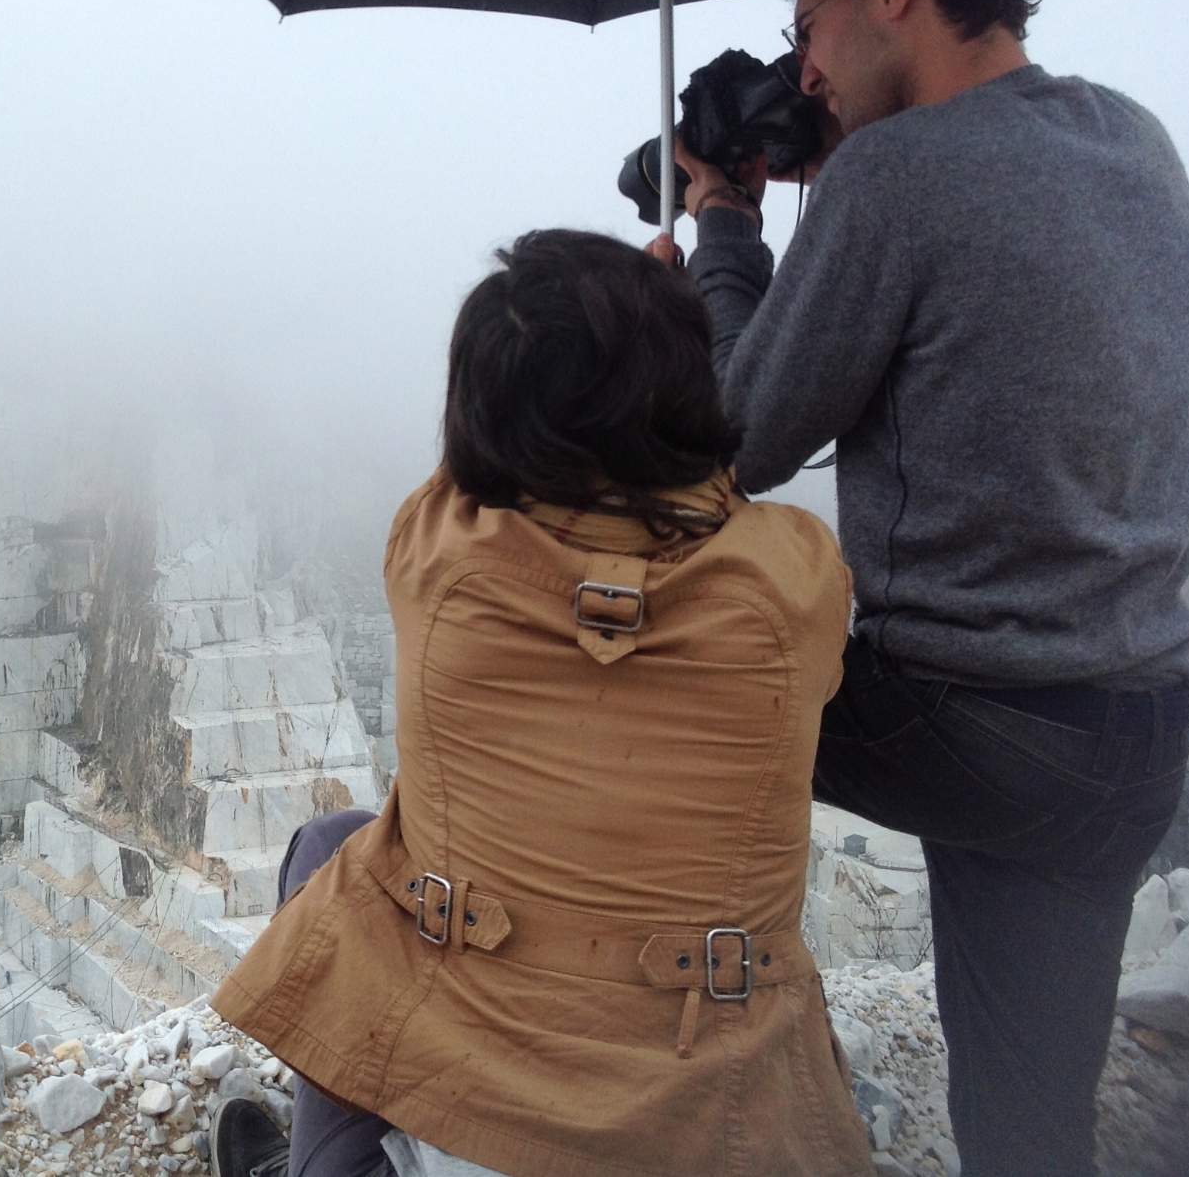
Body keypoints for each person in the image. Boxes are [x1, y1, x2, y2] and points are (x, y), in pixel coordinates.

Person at [654, 0, 1189, 1177]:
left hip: (976, 720)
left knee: (630, 651)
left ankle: (633, 1068)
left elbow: (738, 436)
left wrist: (727, 224)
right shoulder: (1135, 135)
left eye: (807, 29)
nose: (806, 78)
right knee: (1027, 1132)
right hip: (1129, 740)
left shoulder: (897, 177)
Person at [208, 230, 873, 1177]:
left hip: (480, 1114)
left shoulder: (436, 560)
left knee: (332, 850)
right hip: (716, 1127)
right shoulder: (794, 585)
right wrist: (688, 320)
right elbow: (722, 492)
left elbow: (470, 464)